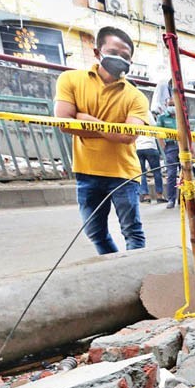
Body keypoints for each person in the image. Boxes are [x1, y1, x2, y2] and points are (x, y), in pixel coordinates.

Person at [54, 26, 148, 255]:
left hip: (124, 173)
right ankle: (116, 266)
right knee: (95, 232)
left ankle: (135, 276)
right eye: (114, 52)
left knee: (132, 231)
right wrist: (109, 130)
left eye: (126, 57)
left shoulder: (135, 96)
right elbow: (65, 123)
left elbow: (128, 135)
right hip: (87, 172)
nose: (120, 59)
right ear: (98, 52)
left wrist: (87, 120)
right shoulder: (71, 80)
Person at [155, 97, 180, 209]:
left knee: (185, 173)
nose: (172, 107)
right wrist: (164, 147)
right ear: (166, 105)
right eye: (170, 104)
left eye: (174, 104)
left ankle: (183, 198)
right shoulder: (162, 118)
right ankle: (171, 199)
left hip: (182, 146)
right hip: (170, 147)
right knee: (171, 174)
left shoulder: (181, 116)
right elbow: (159, 134)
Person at [135, 113, 164, 203]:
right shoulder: (147, 113)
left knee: (142, 173)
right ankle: (159, 195)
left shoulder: (133, 113)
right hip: (151, 147)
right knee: (156, 172)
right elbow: (155, 128)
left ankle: (145, 195)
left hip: (138, 147)